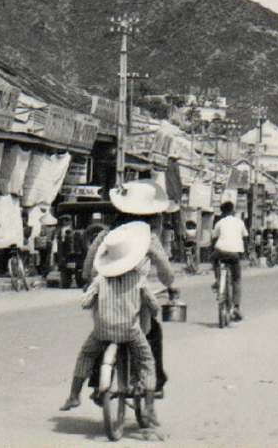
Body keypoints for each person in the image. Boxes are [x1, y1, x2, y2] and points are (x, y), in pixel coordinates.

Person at [80, 181, 177, 396]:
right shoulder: (149, 238)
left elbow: (88, 266)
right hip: (133, 301)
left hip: (104, 296)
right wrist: (169, 283)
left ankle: (97, 383)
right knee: (153, 332)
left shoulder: (106, 234)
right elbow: (166, 274)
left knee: (102, 333)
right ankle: (154, 383)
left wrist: (88, 283)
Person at [62, 222, 159, 427]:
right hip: (131, 331)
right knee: (147, 361)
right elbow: (152, 303)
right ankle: (149, 407)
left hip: (102, 331)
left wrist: (96, 303)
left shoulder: (100, 278)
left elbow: (85, 302)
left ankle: (73, 395)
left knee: (86, 355)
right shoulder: (137, 278)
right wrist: (153, 310)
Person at [212, 200, 248, 321]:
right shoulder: (239, 222)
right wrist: (243, 252)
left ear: (222, 212)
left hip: (221, 251)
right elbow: (245, 237)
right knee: (236, 280)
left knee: (214, 258)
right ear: (233, 211)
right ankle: (236, 307)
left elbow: (214, 238)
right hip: (234, 254)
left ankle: (217, 280)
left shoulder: (219, 222)